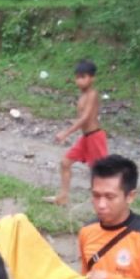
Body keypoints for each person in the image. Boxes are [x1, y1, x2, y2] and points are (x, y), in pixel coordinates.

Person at [46, 59, 108, 206]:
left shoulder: (92, 94)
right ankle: (63, 196)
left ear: (92, 78)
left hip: (95, 137)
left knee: (100, 173)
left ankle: (107, 202)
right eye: (77, 77)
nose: (79, 81)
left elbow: (86, 118)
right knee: (65, 162)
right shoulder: (82, 95)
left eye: (83, 77)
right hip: (86, 138)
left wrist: (66, 133)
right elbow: (82, 118)